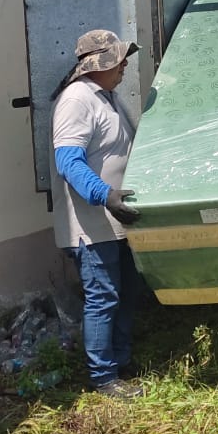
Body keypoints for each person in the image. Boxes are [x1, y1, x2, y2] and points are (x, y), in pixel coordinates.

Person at [51, 29, 145, 399]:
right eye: (119, 60)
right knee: (103, 298)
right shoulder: (76, 100)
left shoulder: (108, 97)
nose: (124, 66)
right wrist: (105, 195)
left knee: (127, 293)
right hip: (90, 226)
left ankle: (120, 361)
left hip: (116, 223)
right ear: (98, 64)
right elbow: (68, 162)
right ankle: (103, 377)